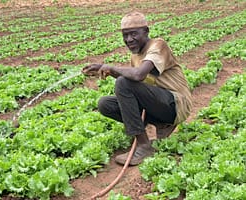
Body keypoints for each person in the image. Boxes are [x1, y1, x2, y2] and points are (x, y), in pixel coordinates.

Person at [81, 11, 192, 166]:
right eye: (125, 35)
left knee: (122, 83)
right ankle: (159, 124)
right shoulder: (135, 55)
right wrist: (102, 68)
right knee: (105, 104)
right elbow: (135, 82)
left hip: (177, 103)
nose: (129, 39)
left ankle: (144, 145)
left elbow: (138, 75)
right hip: (159, 103)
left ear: (146, 31)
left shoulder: (158, 45)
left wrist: (111, 67)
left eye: (133, 34)